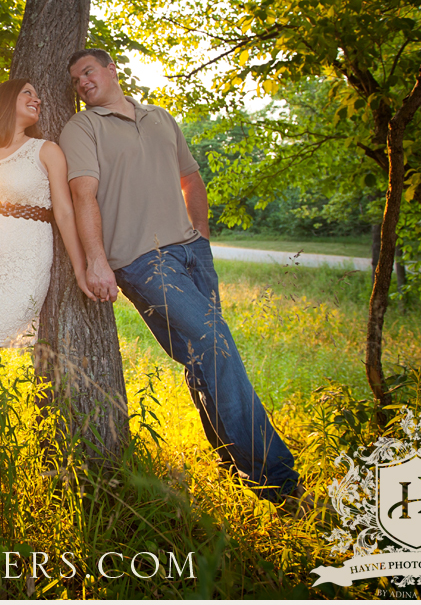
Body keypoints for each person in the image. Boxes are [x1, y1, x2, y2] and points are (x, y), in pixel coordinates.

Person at [58, 48, 304, 506]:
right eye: (75, 81)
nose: (82, 83)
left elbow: (190, 176)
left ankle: (234, 465)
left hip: (191, 252)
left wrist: (202, 238)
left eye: (88, 72)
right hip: (142, 259)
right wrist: (96, 261)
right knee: (216, 345)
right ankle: (278, 482)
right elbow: (82, 197)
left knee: (204, 358)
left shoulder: (160, 117)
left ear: (111, 70)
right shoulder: (83, 127)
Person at [0, 78, 92, 473]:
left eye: (38, 95)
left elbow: (63, 211)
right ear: (5, 103)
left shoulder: (46, 151)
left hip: (21, 267)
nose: (36, 99)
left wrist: (80, 265)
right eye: (27, 93)